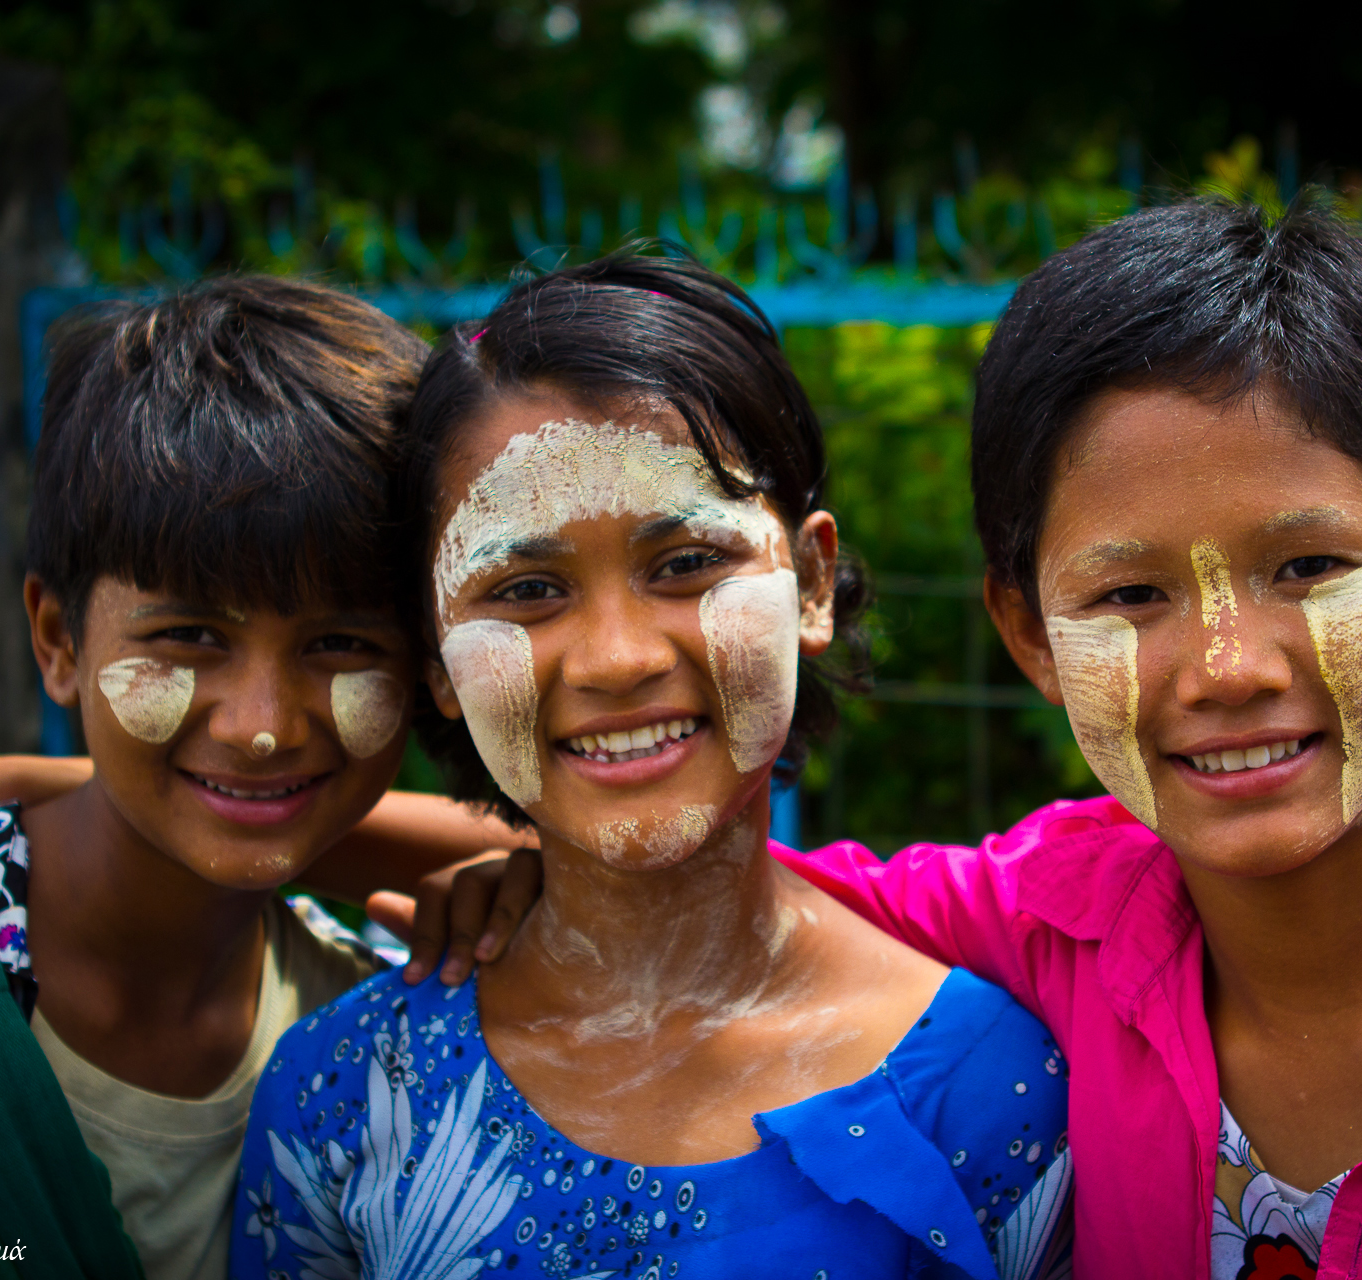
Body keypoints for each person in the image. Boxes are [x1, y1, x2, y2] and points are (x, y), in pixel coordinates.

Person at [434, 199, 1362, 1278]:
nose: (1228, 668)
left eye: (1311, 565)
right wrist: (503, 874)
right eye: (1130, 595)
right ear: (1030, 637)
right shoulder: (1052, 921)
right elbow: (733, 892)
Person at [230, 253, 1074, 1280]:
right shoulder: (348, 1093)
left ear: (809, 581)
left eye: (684, 565)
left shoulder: (993, 1089)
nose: (618, 657)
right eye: (529, 587)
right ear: (436, 655)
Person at [0, 276, 518, 1278]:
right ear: (58, 639)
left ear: (424, 672)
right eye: (190, 635)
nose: (263, 726)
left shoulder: (382, 1037)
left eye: (339, 641)